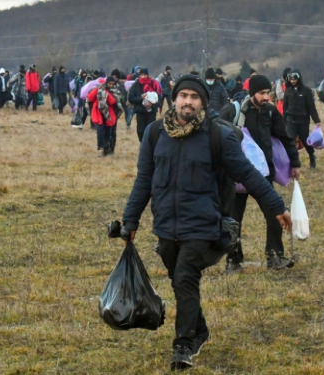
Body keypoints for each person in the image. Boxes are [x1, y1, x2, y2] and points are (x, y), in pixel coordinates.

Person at [121, 74, 292, 370]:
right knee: (179, 279)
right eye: (183, 95)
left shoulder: (218, 135)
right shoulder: (154, 133)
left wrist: (275, 205)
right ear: (174, 99)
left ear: (203, 103)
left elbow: (248, 174)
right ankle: (199, 329)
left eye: (194, 97)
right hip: (166, 223)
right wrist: (130, 219)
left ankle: (184, 344)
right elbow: (144, 180)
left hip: (203, 222)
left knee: (186, 275)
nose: (188, 101)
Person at [219, 75, 301, 271]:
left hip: (263, 176)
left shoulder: (271, 113)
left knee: (275, 212)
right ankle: (233, 260)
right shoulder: (234, 111)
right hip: (237, 176)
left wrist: (295, 163)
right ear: (252, 93)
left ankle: (275, 257)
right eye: (261, 93)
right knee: (233, 220)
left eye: (267, 93)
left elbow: (285, 138)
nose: (266, 97)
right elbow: (216, 135)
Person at [283, 69, 321, 168]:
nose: (292, 82)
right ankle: (293, 162)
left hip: (303, 120)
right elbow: (285, 107)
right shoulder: (287, 91)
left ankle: (311, 155)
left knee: (305, 140)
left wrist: (316, 120)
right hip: (290, 120)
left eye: (294, 79)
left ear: (299, 79)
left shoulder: (306, 91)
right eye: (291, 80)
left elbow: (311, 107)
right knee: (290, 141)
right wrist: (283, 120)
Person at [88, 76, 121, 156]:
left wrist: (106, 94)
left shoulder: (115, 91)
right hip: (98, 113)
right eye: (109, 83)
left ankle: (106, 150)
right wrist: (97, 90)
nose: (111, 85)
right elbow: (90, 98)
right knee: (100, 131)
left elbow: (113, 102)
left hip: (108, 115)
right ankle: (100, 147)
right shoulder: (97, 89)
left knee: (107, 133)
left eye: (112, 84)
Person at [128, 68, 161, 142]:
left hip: (151, 112)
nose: (143, 77)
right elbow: (131, 98)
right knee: (140, 131)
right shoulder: (136, 85)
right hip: (140, 112)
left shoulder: (154, 84)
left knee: (151, 131)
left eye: (145, 75)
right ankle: (143, 144)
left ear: (148, 75)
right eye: (142, 75)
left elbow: (159, 97)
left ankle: (150, 146)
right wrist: (141, 98)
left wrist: (152, 103)